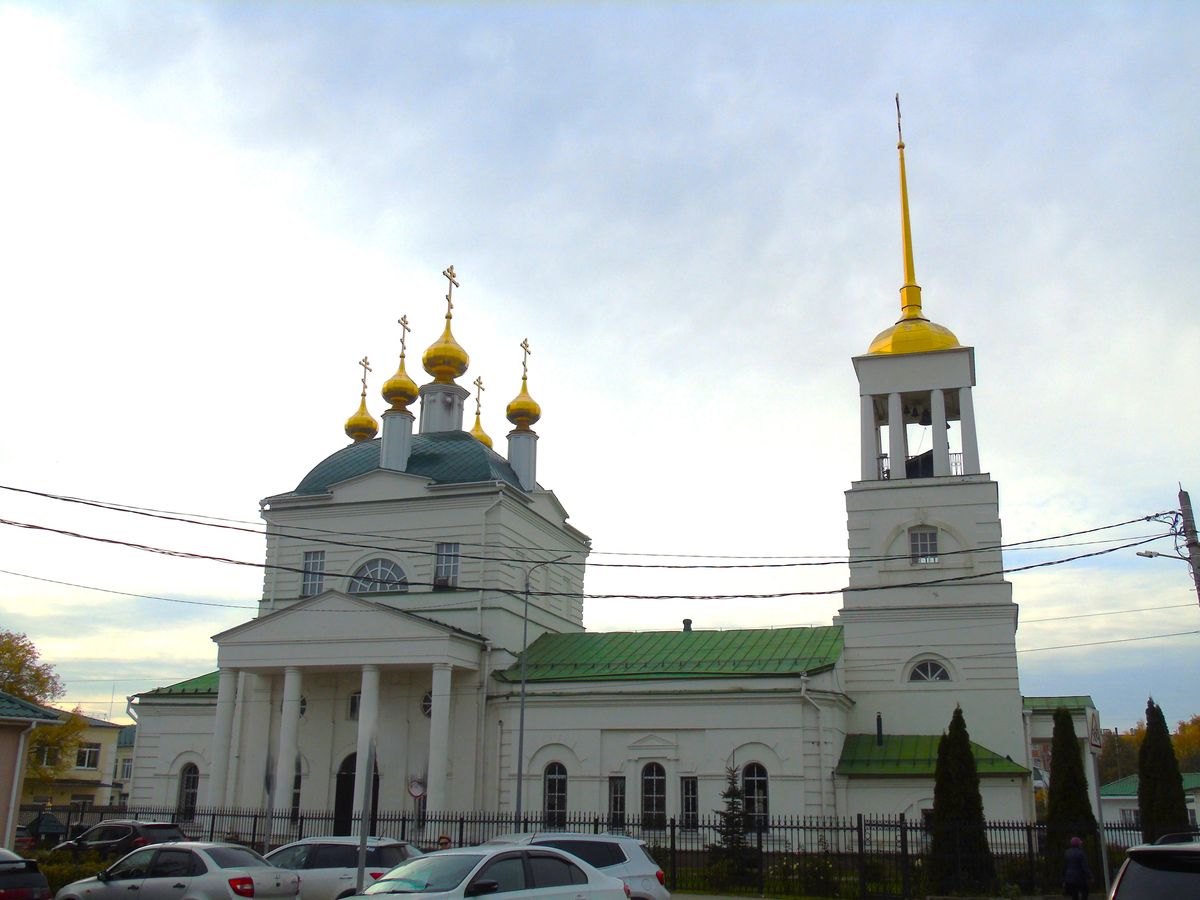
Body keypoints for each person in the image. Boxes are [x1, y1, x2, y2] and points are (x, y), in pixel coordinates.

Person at [1063, 836, 1092, 900]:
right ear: (1078, 844)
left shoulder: (1067, 853)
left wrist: (1064, 878)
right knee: (1085, 891)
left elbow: (1065, 866)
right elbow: (1085, 867)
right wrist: (1090, 876)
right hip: (1079, 878)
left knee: (1074, 895)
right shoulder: (1081, 853)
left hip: (1069, 878)